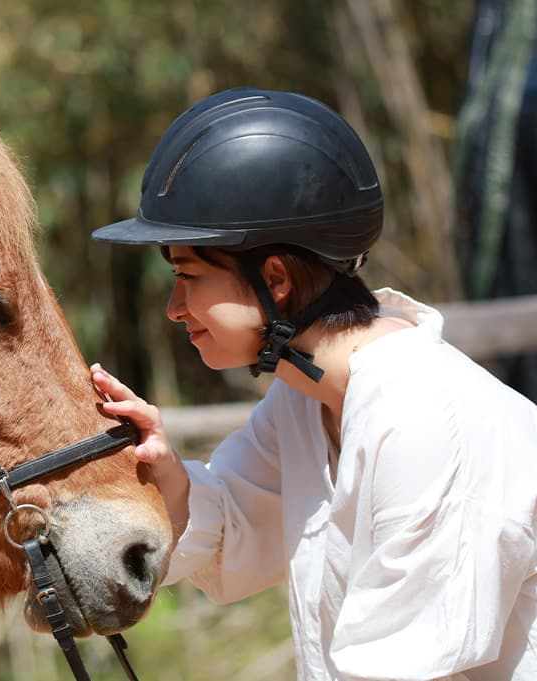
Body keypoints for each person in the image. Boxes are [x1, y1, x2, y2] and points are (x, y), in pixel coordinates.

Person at [90, 87, 537, 680]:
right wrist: (163, 469)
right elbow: (236, 527)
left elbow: (397, 670)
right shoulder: (306, 398)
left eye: (188, 275)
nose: (175, 308)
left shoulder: (427, 423)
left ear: (274, 279)